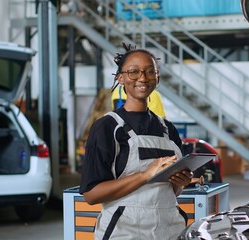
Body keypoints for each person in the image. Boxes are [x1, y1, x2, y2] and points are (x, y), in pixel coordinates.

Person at [79, 43, 193, 239]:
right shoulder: (107, 128)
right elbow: (91, 194)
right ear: (120, 78)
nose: (142, 78)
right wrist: (145, 175)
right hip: (125, 231)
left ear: (158, 77)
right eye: (133, 72)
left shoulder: (168, 129)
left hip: (169, 230)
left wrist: (180, 183)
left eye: (150, 71)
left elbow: (167, 192)